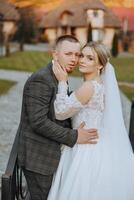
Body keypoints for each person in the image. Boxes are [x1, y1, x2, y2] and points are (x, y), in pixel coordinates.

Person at [47, 41, 134, 200]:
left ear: (100, 65)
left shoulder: (89, 87)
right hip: (96, 141)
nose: (82, 60)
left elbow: (60, 112)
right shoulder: (99, 85)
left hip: (84, 147)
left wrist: (61, 81)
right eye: (82, 55)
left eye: (90, 58)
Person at [17, 35, 98, 200]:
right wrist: (74, 136)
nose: (74, 59)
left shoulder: (60, 76)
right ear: (55, 54)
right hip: (40, 160)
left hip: (51, 155)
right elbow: (38, 122)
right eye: (69, 54)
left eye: (77, 54)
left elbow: (59, 113)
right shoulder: (41, 79)